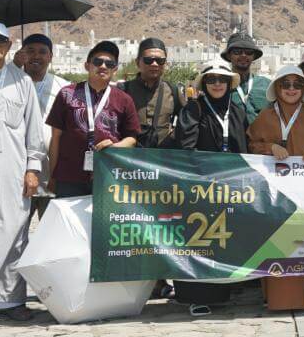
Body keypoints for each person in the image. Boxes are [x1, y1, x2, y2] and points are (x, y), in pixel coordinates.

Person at [172, 60, 248, 316]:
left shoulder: (237, 110)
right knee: (198, 240)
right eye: (212, 80)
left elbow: (244, 147)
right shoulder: (193, 109)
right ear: (204, 83)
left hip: (231, 187)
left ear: (229, 84)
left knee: (225, 240)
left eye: (222, 80)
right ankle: (196, 297)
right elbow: (186, 145)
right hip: (201, 186)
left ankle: (226, 292)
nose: (217, 84)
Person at [248, 65, 304, 311]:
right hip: (273, 191)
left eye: (297, 85)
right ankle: (275, 296)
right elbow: (251, 144)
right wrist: (270, 147)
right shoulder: (265, 116)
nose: (291, 89)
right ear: (277, 88)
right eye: (286, 84)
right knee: (276, 241)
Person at [46, 41, 140, 197]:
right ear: (87, 65)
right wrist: (52, 176)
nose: (103, 66)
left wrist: (117, 146)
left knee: (101, 222)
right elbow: (55, 138)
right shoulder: (66, 94)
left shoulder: (124, 100)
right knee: (69, 221)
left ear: (115, 69)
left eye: (109, 63)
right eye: (98, 61)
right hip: (69, 178)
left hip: (108, 177)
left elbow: (132, 137)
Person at [0, 23, 46, 322]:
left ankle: (10, 301)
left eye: (0, 41)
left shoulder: (21, 82)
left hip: (12, 168)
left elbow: (33, 131)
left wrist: (33, 169)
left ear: (9, 44)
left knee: (14, 230)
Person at [19, 33, 68, 218]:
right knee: (16, 234)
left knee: (49, 234)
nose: (36, 56)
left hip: (52, 176)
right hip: (20, 174)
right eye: (30, 51)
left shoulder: (63, 88)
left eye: (42, 52)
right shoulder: (9, 85)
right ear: (21, 54)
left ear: (51, 57)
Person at [120, 37, 184, 148]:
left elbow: (187, 122)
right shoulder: (123, 91)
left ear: (165, 64)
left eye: (160, 60)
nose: (154, 64)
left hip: (162, 159)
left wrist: (172, 138)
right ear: (137, 62)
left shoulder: (173, 91)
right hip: (129, 158)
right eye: (148, 60)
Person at [222, 33, 270, 121]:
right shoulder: (220, 86)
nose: (243, 55)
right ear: (229, 55)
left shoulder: (267, 85)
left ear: (253, 56)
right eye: (237, 52)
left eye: (249, 52)